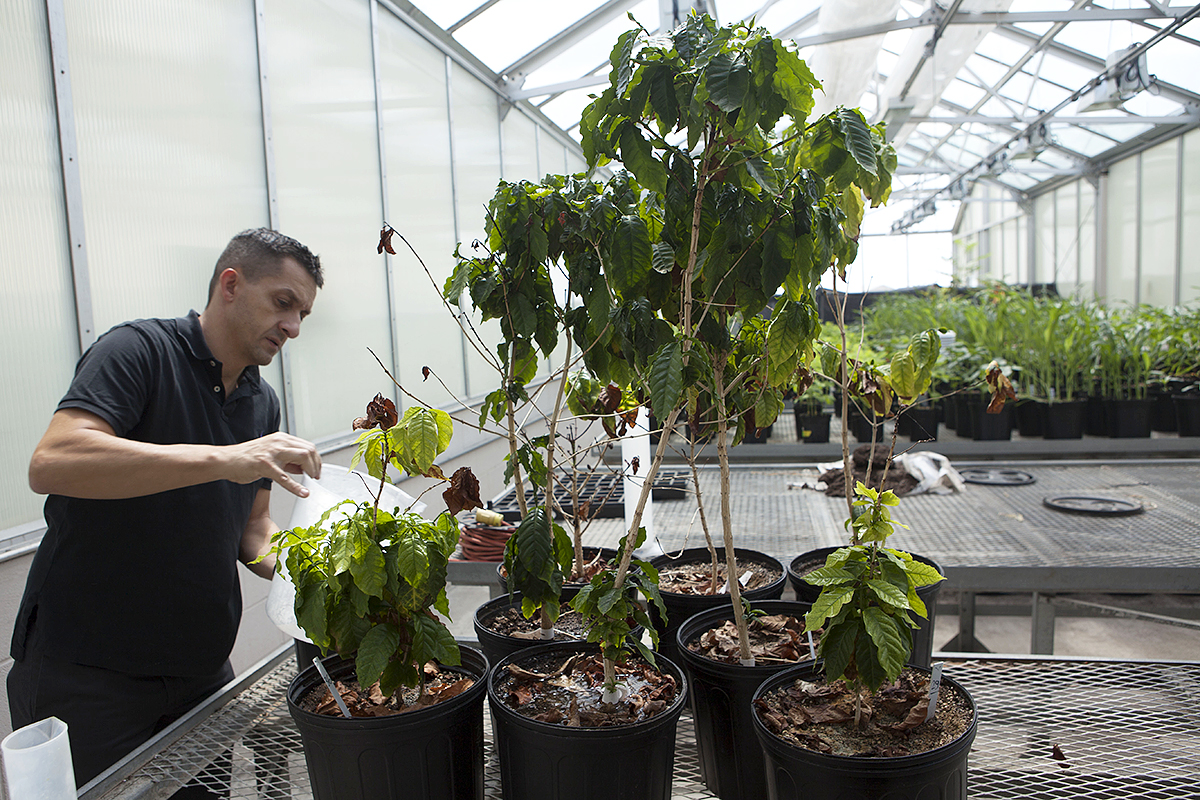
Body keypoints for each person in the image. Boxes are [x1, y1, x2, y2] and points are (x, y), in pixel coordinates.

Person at [8, 228, 324, 791]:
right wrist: (224, 458)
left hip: (199, 672)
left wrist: (315, 568)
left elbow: (251, 531)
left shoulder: (261, 400)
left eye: (302, 313)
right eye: (283, 303)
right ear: (231, 284)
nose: (294, 327)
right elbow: (53, 461)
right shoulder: (139, 352)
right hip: (91, 675)